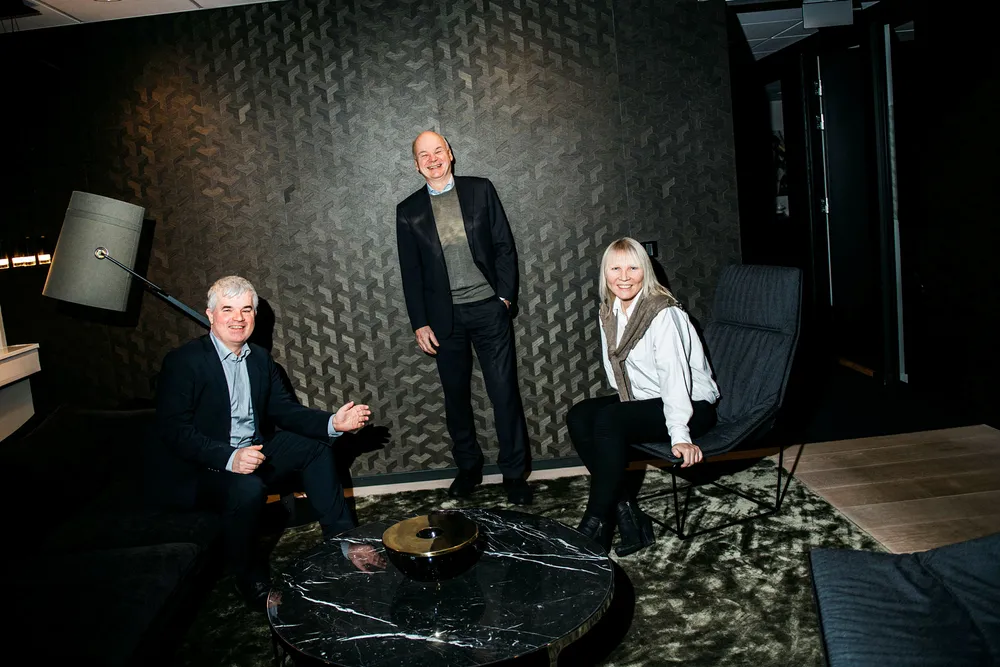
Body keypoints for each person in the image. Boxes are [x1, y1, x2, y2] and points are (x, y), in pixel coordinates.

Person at [149, 275, 372, 606]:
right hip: (204, 467)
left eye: (246, 310)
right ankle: (249, 579)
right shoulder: (184, 361)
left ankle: (343, 541)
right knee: (248, 488)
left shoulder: (260, 359)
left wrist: (332, 422)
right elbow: (174, 430)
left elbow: (285, 411)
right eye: (228, 309)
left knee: (315, 447)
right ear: (210, 315)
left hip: (253, 452)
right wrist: (229, 458)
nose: (238, 318)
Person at [395, 131, 532, 505]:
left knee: (503, 392)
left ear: (450, 154)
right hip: (444, 319)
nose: (433, 159)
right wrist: (420, 322)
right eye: (424, 155)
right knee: (456, 398)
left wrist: (504, 297)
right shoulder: (409, 210)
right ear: (416, 164)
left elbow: (504, 246)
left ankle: (514, 474)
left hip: (488, 308)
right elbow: (411, 272)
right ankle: (469, 469)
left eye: (438, 151)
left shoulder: (480, 190)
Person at [567, 238, 720, 556]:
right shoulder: (609, 311)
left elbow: (674, 378)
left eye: (633, 268)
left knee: (610, 419)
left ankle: (595, 525)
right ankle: (629, 517)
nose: (624, 277)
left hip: (691, 405)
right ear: (605, 273)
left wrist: (680, 434)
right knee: (580, 415)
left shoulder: (663, 313)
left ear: (645, 272)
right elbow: (616, 372)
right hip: (647, 399)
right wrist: (628, 406)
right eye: (615, 268)